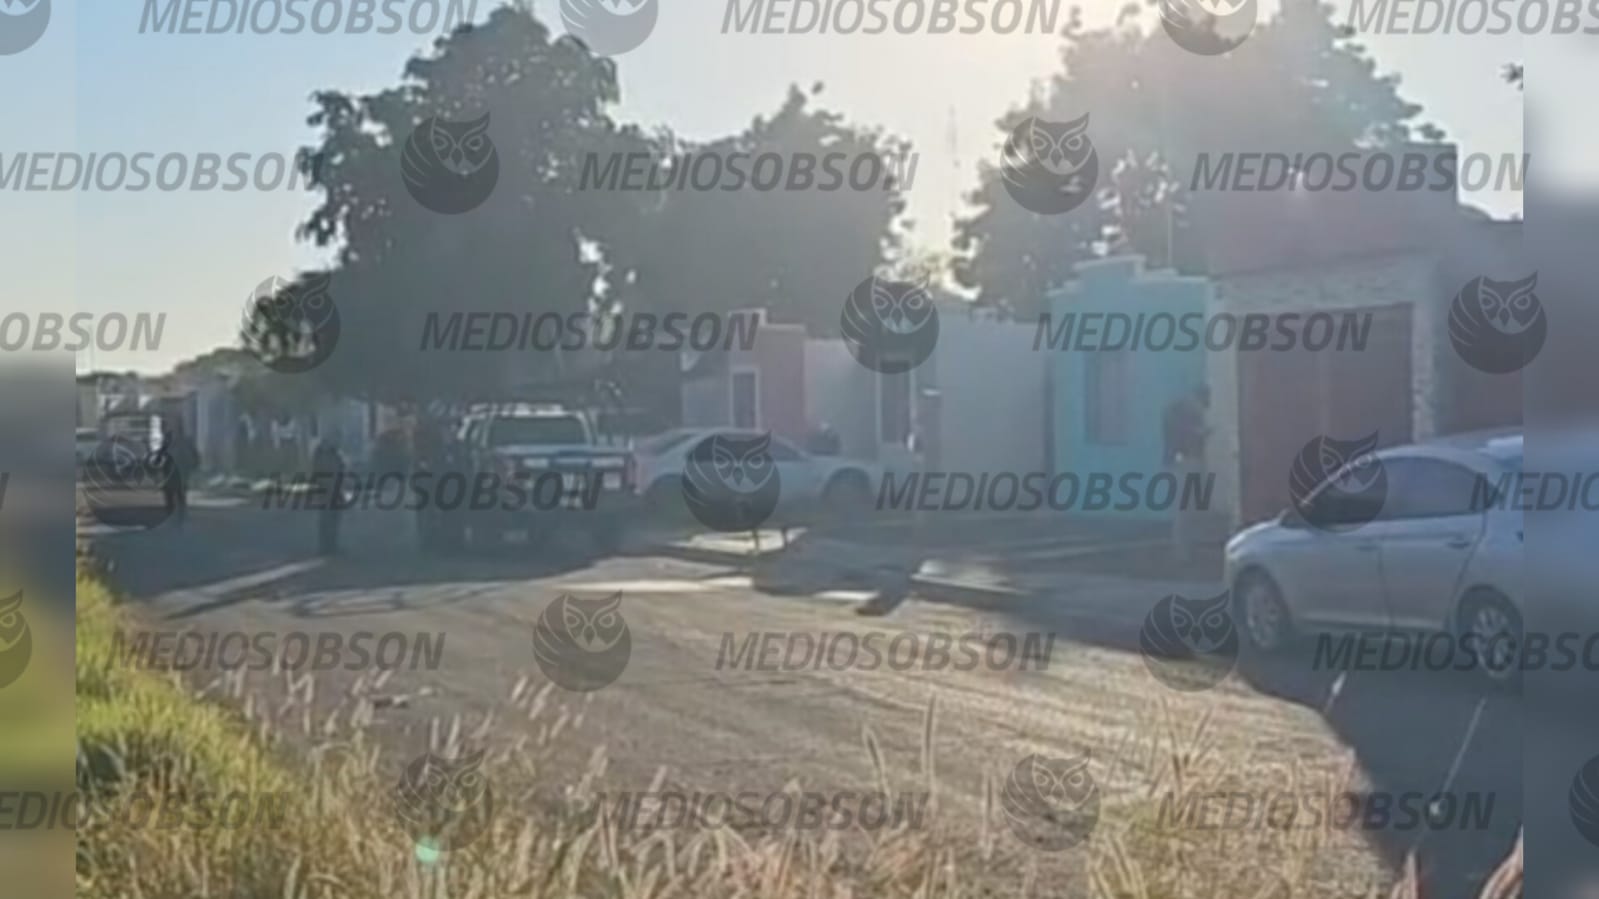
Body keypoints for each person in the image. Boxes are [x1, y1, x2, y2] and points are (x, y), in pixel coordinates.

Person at [1162, 386, 1210, 564]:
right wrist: (1199, 433)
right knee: (1185, 508)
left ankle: (1186, 550)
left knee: (1191, 507)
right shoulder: (1184, 414)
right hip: (1186, 461)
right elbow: (1184, 435)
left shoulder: (1181, 412)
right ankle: (1182, 552)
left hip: (1187, 461)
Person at [311, 435, 348, 555]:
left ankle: (329, 546)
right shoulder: (326, 456)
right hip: (328, 492)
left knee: (331, 521)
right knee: (328, 520)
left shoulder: (332, 455)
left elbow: (341, 473)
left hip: (332, 492)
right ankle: (327, 547)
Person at [159, 420, 201, 527]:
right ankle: (177, 517)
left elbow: (195, 457)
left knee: (177, 494)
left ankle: (178, 517)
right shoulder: (178, 440)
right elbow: (161, 455)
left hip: (178, 471)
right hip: (175, 471)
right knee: (175, 494)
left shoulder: (178, 440)